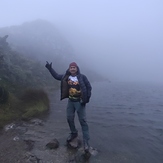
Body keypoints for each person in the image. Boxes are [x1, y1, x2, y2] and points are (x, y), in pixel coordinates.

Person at [45, 61, 92, 152]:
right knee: (69, 118)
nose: (73, 69)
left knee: (83, 121)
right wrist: (50, 68)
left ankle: (86, 141)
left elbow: (89, 87)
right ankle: (74, 133)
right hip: (71, 101)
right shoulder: (66, 76)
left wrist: (86, 99)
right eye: (71, 67)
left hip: (80, 102)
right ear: (69, 69)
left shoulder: (82, 77)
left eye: (74, 67)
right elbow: (56, 76)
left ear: (77, 68)